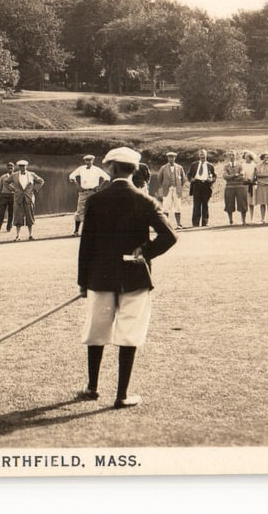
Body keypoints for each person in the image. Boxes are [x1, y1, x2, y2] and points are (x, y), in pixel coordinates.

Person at [76, 147, 177, 409]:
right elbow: (170, 236)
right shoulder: (145, 200)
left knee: (96, 331)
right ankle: (121, 395)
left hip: (100, 277)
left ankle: (92, 387)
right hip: (134, 278)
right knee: (129, 333)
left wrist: (82, 282)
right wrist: (145, 252)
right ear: (135, 170)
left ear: (111, 168)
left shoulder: (95, 200)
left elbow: (86, 244)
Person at [68, 154, 109, 236]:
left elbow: (107, 178)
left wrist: (99, 187)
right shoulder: (81, 169)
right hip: (83, 192)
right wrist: (77, 186)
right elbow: (71, 176)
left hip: (94, 192)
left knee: (96, 210)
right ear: (84, 161)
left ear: (93, 161)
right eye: (86, 160)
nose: (88, 162)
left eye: (90, 160)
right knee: (80, 211)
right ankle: (76, 231)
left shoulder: (97, 169)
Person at [9, 160, 45, 241]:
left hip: (29, 198)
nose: (22, 167)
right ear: (18, 166)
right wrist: (13, 189)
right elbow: (6, 182)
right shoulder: (14, 175)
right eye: (21, 166)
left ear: (26, 166)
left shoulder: (31, 174)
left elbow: (41, 181)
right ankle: (18, 236)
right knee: (18, 217)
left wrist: (35, 189)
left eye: (24, 166)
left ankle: (30, 235)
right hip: (18, 198)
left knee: (30, 217)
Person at [155, 152, 187, 228]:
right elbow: (159, 179)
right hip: (167, 190)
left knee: (178, 206)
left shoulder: (179, 167)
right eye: (169, 157)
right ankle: (165, 225)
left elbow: (184, 178)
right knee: (166, 206)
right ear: (167, 158)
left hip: (176, 189)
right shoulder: (163, 168)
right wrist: (164, 186)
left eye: (172, 157)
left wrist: (179, 186)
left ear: (175, 158)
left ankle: (179, 224)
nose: (171, 159)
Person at [187, 149, 217, 227]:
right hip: (196, 185)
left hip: (206, 186)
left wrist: (211, 180)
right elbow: (189, 174)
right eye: (201, 154)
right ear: (198, 156)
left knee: (205, 205)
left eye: (203, 154)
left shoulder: (210, 165)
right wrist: (191, 179)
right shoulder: (194, 165)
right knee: (196, 205)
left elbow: (214, 176)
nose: (202, 156)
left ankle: (205, 222)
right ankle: (195, 223)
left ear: (206, 155)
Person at [220, 150, 249, 225]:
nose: (231, 156)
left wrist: (232, 176)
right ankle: (230, 221)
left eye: (233, 155)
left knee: (242, 203)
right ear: (228, 156)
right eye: (230, 155)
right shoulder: (226, 166)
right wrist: (235, 175)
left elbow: (242, 176)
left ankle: (243, 220)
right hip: (229, 187)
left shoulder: (240, 165)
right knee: (229, 203)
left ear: (236, 156)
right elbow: (225, 176)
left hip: (240, 186)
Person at [0, 161, 16, 234]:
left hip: (12, 196)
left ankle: (9, 227)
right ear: (7, 168)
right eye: (9, 168)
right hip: (4, 196)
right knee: (1, 213)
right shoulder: (3, 177)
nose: (10, 169)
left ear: (13, 168)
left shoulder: (16, 176)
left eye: (11, 168)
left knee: (11, 213)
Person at [241, 151, 259, 223]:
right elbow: (242, 174)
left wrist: (253, 180)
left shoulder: (254, 165)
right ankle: (243, 220)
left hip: (252, 185)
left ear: (251, 158)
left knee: (251, 203)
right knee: (244, 202)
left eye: (248, 157)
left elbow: (256, 175)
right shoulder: (242, 165)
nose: (246, 158)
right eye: (245, 156)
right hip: (244, 185)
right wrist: (245, 179)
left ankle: (252, 218)